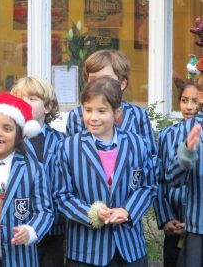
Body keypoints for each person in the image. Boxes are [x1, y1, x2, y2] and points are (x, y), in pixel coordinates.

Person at [53, 77, 158, 266]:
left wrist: (127, 210)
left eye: (102, 111)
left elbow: (148, 185)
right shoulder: (68, 147)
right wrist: (91, 213)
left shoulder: (137, 143)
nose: (93, 117)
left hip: (129, 249)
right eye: (88, 110)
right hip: (85, 252)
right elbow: (61, 195)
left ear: (117, 112)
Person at [0, 93, 54, 267]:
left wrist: (30, 231)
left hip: (19, 258)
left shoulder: (33, 169)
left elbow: (45, 212)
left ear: (20, 135)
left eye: (7, 129)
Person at [11, 76, 66, 267]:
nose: (25, 103)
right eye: (20, 99)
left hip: (54, 230)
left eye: (32, 99)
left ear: (48, 107)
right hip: (19, 229)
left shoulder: (62, 141)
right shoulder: (9, 141)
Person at [66, 49, 157, 155]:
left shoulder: (137, 115)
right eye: (93, 79)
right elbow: (72, 153)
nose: (100, 84)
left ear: (122, 84)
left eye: (106, 79)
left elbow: (150, 154)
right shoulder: (78, 115)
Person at [153, 82, 200, 267]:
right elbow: (160, 179)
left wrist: (194, 223)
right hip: (174, 224)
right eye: (184, 100)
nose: (189, 107)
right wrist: (166, 219)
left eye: (195, 101)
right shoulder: (166, 135)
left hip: (198, 227)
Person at [166, 71, 203, 267]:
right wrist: (187, 152)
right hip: (196, 230)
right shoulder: (187, 129)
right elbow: (171, 177)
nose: (189, 106)